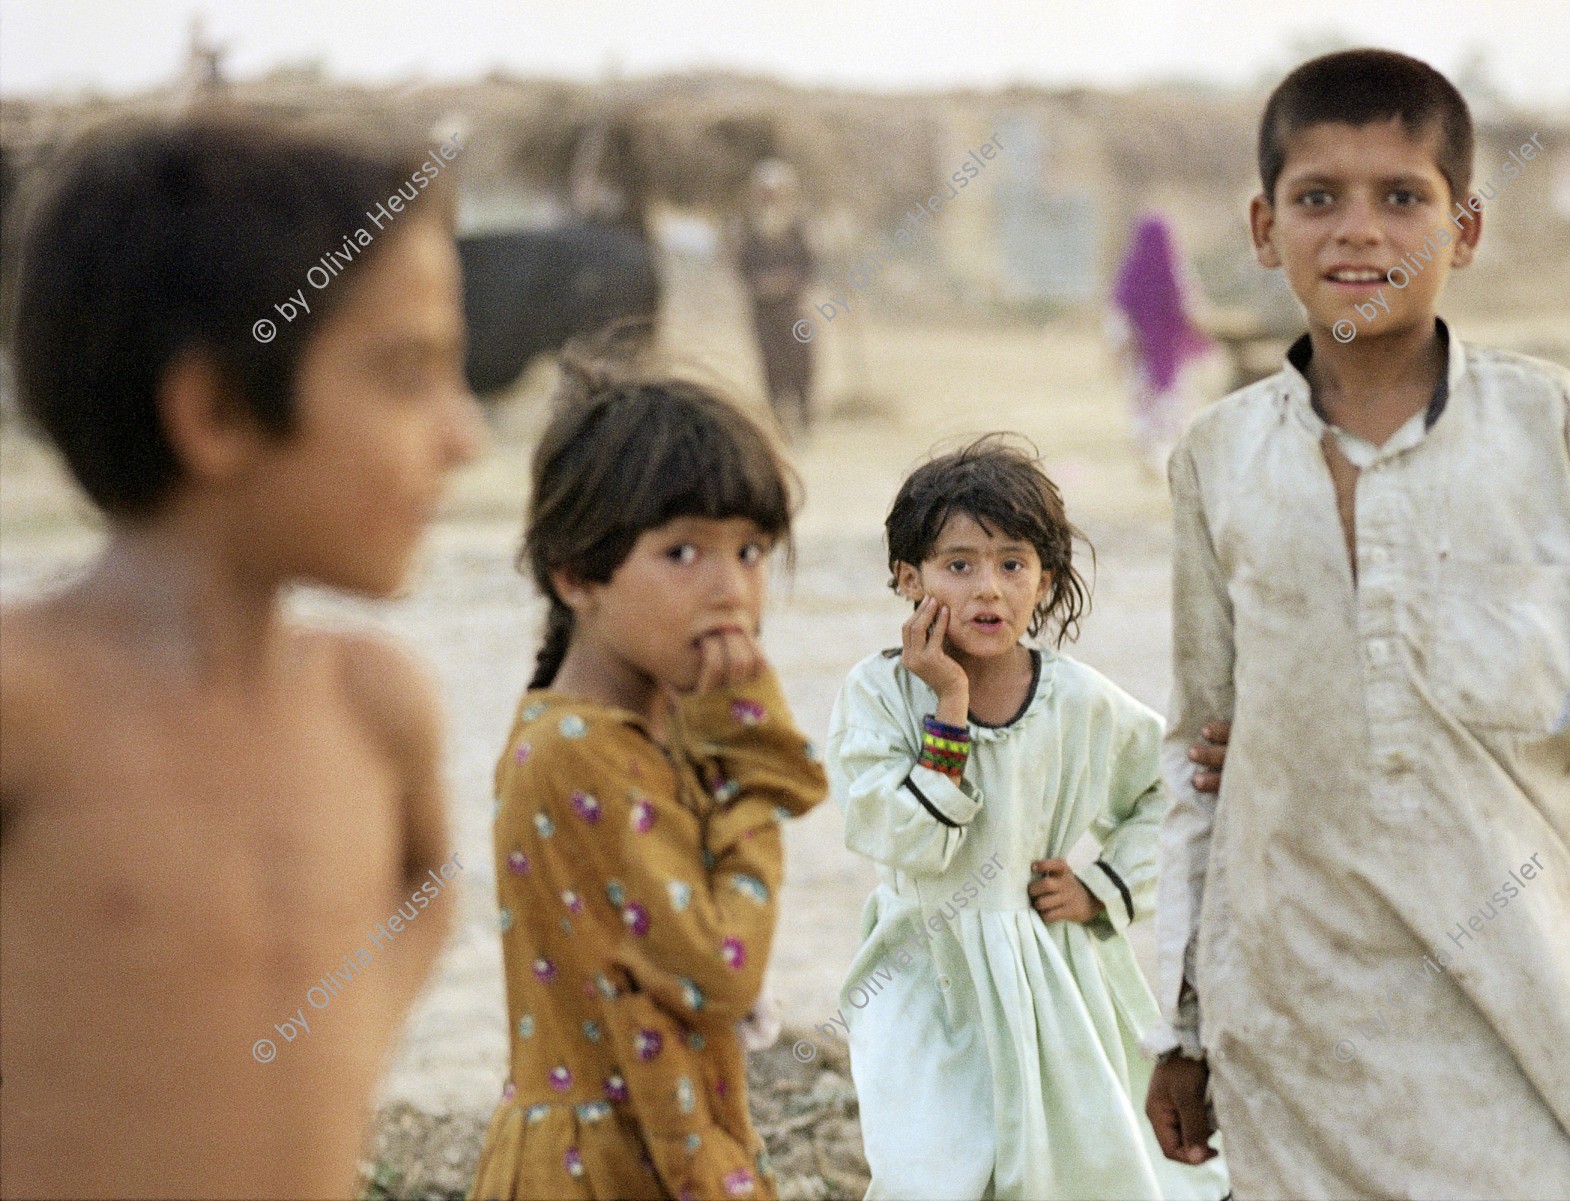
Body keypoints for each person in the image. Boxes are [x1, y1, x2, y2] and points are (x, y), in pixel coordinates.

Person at [1142, 49, 1570, 1200]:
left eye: (1403, 198)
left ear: (1463, 228)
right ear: (1264, 227)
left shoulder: (1543, 424)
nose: (1358, 232)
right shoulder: (1220, 460)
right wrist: (1178, 1022)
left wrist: (1457, 766)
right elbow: (1198, 751)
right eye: (1317, 197)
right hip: (1294, 1011)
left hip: (1518, 988)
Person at [0, 117, 484, 1199]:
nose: (464, 437)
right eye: (408, 375)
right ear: (216, 412)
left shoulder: (373, 705)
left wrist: (320, 1053)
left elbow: (429, 887)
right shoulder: (27, 705)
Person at [827, 436, 1232, 1201]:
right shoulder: (878, 695)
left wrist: (1102, 885)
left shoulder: (1077, 700)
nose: (989, 589)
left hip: (1051, 974)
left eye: (1013, 564)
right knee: (927, 1169)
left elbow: (1174, 786)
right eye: (959, 564)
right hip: (924, 972)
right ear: (907, 577)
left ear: (1045, 579)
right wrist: (948, 704)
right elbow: (905, 835)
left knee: (1067, 1167)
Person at [467, 360, 829, 1201]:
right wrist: (751, 783)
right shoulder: (576, 752)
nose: (731, 589)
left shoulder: (651, 725)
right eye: (682, 551)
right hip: (600, 1165)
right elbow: (718, 970)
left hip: (662, 1131)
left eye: (750, 549)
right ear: (577, 576)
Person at [1109, 214, 1232, 476]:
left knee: (1145, 405)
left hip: (1142, 357)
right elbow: (1192, 312)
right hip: (1170, 356)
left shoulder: (1130, 273)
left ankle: (1151, 459)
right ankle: (1165, 459)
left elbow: (1119, 320)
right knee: (1172, 405)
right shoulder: (1175, 272)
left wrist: (1119, 353)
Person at [733, 159, 817, 442]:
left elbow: (809, 265)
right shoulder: (749, 227)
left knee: (800, 363)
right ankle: (778, 422)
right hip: (763, 310)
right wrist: (761, 284)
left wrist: (788, 282)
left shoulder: (797, 225)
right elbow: (742, 266)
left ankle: (804, 418)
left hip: (792, 309)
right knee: (771, 365)